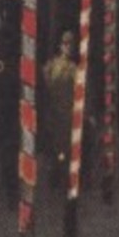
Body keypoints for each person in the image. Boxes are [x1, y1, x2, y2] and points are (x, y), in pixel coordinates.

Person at [41, 29, 79, 191]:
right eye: (65, 44)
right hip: (54, 112)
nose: (68, 47)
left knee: (65, 148)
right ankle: (55, 179)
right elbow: (45, 86)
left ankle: (62, 180)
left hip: (67, 113)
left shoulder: (74, 68)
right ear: (60, 46)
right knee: (55, 148)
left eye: (70, 44)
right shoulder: (51, 65)